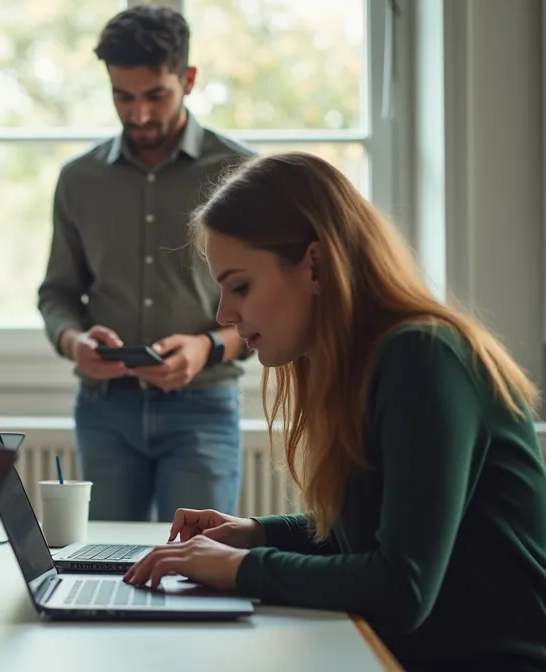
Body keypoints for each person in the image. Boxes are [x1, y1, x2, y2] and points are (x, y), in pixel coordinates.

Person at [123, 152, 546, 671]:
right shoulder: (368, 364)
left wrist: (241, 567)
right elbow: (369, 531)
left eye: (240, 286)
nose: (223, 315)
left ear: (315, 265)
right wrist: (257, 532)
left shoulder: (424, 358)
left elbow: (401, 588)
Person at [37, 4, 256, 522]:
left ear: (189, 79)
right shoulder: (78, 180)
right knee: (103, 572)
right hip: (105, 409)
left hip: (204, 407)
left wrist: (207, 348)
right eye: (123, 97)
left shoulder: (241, 173)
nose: (138, 115)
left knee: (201, 570)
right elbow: (57, 294)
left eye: (155, 95)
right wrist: (75, 343)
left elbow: (270, 305)